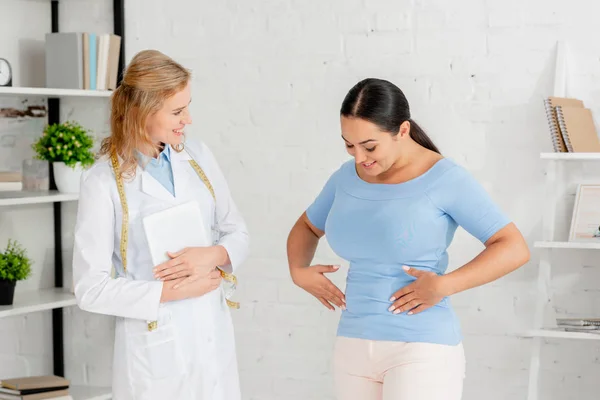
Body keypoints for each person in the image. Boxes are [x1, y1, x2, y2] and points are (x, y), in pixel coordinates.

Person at [286, 78, 530, 400]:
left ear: (402, 130)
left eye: (370, 146)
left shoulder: (445, 179)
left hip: (421, 347)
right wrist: (298, 271)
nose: (359, 157)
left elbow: (513, 247)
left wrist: (445, 285)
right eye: (349, 145)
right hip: (353, 345)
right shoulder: (346, 178)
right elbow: (306, 226)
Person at [72, 50, 249, 400]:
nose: (189, 119)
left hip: (211, 332)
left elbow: (237, 232)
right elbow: (88, 288)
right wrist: (172, 291)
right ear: (143, 111)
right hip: (154, 345)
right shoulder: (102, 182)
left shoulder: (198, 157)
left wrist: (212, 254)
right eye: (178, 111)